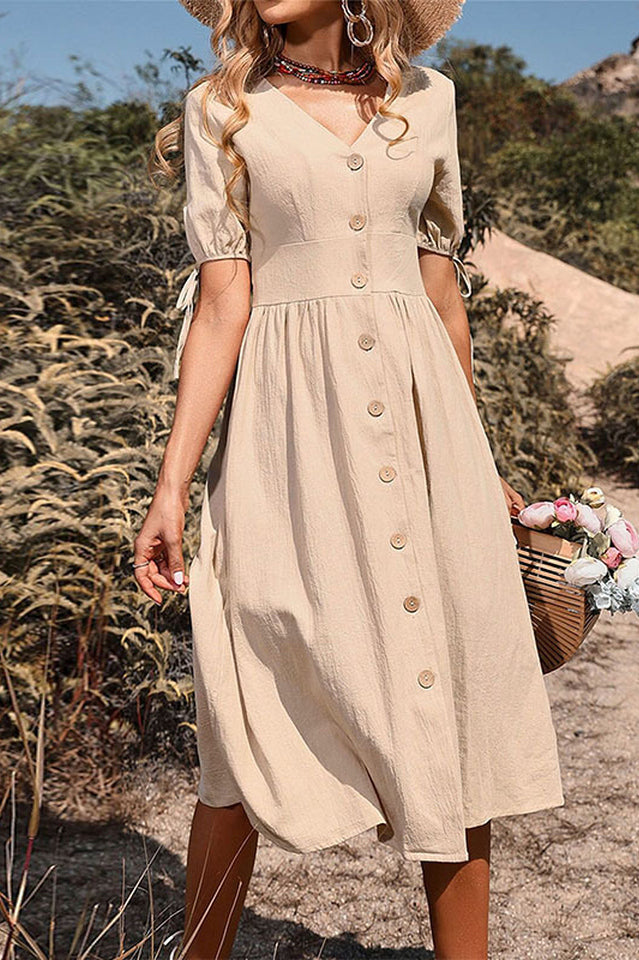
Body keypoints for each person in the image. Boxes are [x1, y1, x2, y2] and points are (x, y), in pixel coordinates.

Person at [133, 1, 565, 957]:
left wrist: (476, 460)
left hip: (425, 430)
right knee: (248, 686)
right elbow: (221, 303)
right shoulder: (221, 108)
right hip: (286, 435)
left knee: (450, 690)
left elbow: (442, 296)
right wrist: (172, 486)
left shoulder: (430, 99)